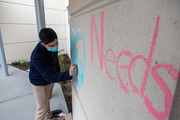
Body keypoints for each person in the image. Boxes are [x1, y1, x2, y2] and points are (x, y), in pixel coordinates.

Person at [29, 28, 76, 120]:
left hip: (49, 80)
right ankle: (44, 115)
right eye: (52, 45)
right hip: (39, 83)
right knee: (41, 108)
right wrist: (69, 73)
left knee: (47, 99)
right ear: (43, 44)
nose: (56, 46)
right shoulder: (37, 56)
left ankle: (49, 115)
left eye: (56, 43)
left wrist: (57, 74)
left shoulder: (50, 48)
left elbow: (55, 62)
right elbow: (49, 76)